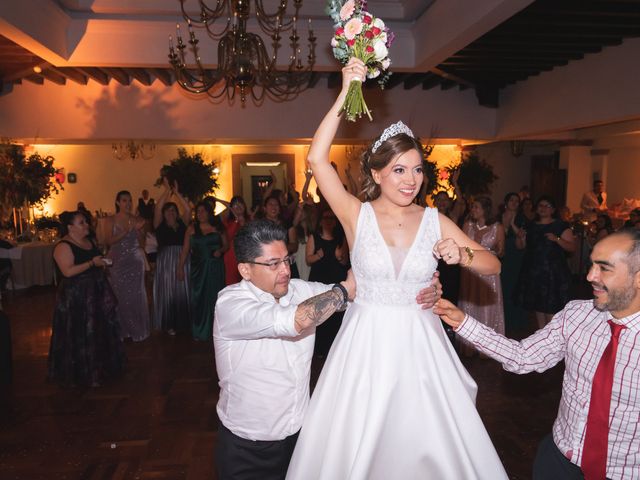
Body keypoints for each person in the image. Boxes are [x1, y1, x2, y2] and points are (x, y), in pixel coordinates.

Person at [286, 58, 507, 479]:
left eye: (418, 170)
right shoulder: (356, 215)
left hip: (421, 346)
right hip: (365, 344)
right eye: (399, 170)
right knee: (358, 442)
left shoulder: (434, 220)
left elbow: (492, 264)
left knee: (423, 444)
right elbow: (317, 159)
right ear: (376, 172)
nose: (411, 180)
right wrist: (346, 91)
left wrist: (462, 256)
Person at [213, 219, 442, 480]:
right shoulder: (230, 304)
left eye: (287, 260)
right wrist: (343, 291)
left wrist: (423, 287)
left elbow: (361, 295)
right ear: (245, 270)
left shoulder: (298, 290)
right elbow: (296, 320)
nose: (285, 270)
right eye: (273, 264)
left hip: (300, 439)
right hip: (247, 447)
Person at [435, 229, 640, 480]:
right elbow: (523, 357)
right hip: (559, 462)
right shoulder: (577, 315)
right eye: (591, 265)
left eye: (604, 268)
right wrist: (462, 321)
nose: (589, 276)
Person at [48, 211, 125, 387]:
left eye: (85, 222)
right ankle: (82, 371)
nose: (86, 225)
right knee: (80, 331)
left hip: (95, 292)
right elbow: (67, 271)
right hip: (76, 296)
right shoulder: (63, 246)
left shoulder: (89, 241)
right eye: (81, 223)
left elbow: (96, 259)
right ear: (70, 227)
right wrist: (92, 263)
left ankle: (100, 367)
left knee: (98, 329)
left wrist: (102, 264)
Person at [514, 195, 576, 329]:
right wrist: (520, 238)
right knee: (538, 306)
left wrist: (557, 239)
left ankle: (551, 339)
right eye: (540, 205)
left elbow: (572, 247)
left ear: (553, 210)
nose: (543, 208)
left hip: (553, 273)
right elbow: (520, 246)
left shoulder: (560, 226)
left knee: (550, 308)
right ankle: (542, 336)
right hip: (534, 270)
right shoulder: (530, 225)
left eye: (546, 206)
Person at [458, 196, 505, 356]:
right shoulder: (467, 225)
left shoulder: (497, 227)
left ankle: (487, 348)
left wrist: (490, 253)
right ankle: (469, 346)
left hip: (488, 274)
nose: (473, 210)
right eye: (473, 207)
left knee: (486, 306)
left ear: (485, 209)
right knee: (470, 304)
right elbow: (461, 246)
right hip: (470, 272)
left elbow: (501, 251)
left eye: (476, 207)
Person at [178, 200, 227, 341]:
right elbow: (185, 250)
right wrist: (180, 267)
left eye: (203, 211)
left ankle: (216, 330)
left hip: (215, 267)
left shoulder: (218, 226)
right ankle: (200, 331)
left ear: (209, 212)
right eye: (197, 212)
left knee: (215, 298)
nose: (200, 214)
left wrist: (220, 251)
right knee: (198, 298)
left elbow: (226, 245)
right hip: (198, 268)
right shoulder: (191, 229)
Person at [104, 190, 150, 342]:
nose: (128, 203)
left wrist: (140, 231)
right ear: (117, 202)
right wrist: (125, 232)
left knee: (136, 295)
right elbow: (108, 242)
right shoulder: (111, 220)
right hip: (117, 262)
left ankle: (137, 329)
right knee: (120, 296)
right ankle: (123, 330)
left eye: (130, 200)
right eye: (124, 200)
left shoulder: (138, 219)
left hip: (134, 261)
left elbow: (143, 243)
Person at [306, 208, 349, 356]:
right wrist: (318, 255)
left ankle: (334, 350)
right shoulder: (314, 237)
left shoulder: (341, 238)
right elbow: (308, 259)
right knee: (319, 312)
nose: (328, 220)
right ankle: (318, 350)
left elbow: (345, 262)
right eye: (325, 217)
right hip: (319, 278)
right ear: (321, 220)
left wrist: (339, 257)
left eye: (331, 218)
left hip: (336, 279)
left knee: (336, 314)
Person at [152, 179, 191, 335]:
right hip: (166, 262)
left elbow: (187, 209)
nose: (171, 212)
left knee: (182, 290)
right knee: (168, 291)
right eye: (168, 210)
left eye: (173, 210)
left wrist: (177, 193)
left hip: (182, 258)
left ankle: (183, 321)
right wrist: (167, 191)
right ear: (163, 213)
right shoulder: (159, 225)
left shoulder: (183, 224)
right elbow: (157, 207)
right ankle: (169, 323)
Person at [499, 192, 528, 332]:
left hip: (515, 254)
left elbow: (522, 237)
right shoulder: (498, 217)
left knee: (513, 286)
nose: (514, 203)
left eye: (517, 201)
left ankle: (515, 322)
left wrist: (511, 224)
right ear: (506, 202)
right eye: (511, 200)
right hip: (500, 254)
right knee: (502, 286)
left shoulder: (522, 218)